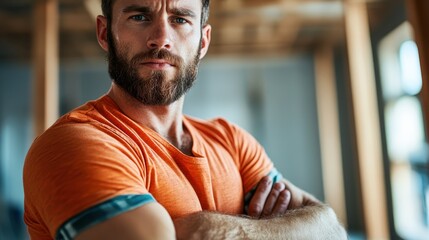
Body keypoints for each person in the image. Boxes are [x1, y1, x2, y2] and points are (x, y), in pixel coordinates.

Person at [23, 0, 347, 239]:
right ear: (105, 33)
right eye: (139, 16)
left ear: (203, 42)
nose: (161, 38)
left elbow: (330, 228)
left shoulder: (231, 141)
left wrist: (207, 230)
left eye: (180, 19)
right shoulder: (72, 143)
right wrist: (278, 229)